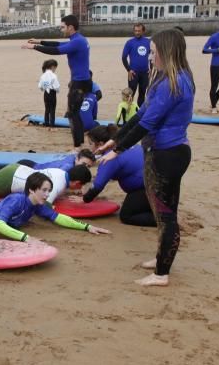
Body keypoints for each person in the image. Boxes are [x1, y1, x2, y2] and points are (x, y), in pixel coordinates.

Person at [97, 28, 194, 287]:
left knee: (166, 215)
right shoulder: (162, 80)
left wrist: (117, 152)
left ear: (166, 52)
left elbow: (147, 124)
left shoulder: (174, 83)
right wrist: (115, 140)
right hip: (159, 152)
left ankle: (161, 274)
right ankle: (161, 257)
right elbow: (139, 116)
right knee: (159, 212)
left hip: (169, 155)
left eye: (153, 53)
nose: (150, 57)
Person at [0, 171, 110, 241]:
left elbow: (58, 218)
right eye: (44, 190)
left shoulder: (37, 204)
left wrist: (87, 227)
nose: (48, 194)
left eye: (49, 190)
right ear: (31, 190)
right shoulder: (17, 200)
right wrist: (27, 238)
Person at [23, 15, 92, 151]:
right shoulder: (78, 39)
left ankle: (78, 146)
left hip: (79, 83)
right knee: (74, 114)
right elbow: (58, 44)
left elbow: (56, 51)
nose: (61, 29)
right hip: (83, 81)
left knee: (73, 115)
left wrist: (34, 47)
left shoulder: (77, 42)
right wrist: (40, 41)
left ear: (70, 27)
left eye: (62, 27)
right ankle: (80, 144)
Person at [83, 145, 154, 227]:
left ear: (100, 144)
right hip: (162, 181)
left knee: (126, 216)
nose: (90, 147)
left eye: (91, 143)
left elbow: (97, 186)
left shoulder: (109, 157)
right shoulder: (125, 144)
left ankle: (167, 221)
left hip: (151, 187)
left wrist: (84, 198)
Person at [0, 162, 93, 204]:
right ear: (76, 182)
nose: (80, 188)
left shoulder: (61, 173)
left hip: (17, 170)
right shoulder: (57, 184)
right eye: (81, 185)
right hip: (11, 178)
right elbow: (44, 205)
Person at [0, 148, 96, 175]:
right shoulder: (68, 167)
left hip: (28, 164)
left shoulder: (72, 158)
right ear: (77, 159)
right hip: (26, 168)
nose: (85, 168)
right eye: (84, 164)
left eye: (88, 166)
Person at [122, 23, 152, 106]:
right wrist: (129, 70)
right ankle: (128, 113)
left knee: (142, 94)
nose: (137, 33)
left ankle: (139, 114)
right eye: (135, 31)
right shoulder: (129, 42)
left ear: (143, 31)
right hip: (133, 73)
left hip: (145, 73)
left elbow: (152, 57)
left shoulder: (148, 42)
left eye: (139, 31)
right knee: (130, 94)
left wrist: (151, 69)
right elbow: (124, 57)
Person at [38, 59, 60, 127]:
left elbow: (40, 86)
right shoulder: (53, 75)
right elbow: (57, 87)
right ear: (53, 67)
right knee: (52, 110)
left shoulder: (43, 75)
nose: (55, 70)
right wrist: (57, 91)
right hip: (52, 93)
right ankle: (52, 126)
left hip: (45, 94)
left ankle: (46, 124)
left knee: (47, 109)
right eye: (55, 68)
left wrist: (44, 88)